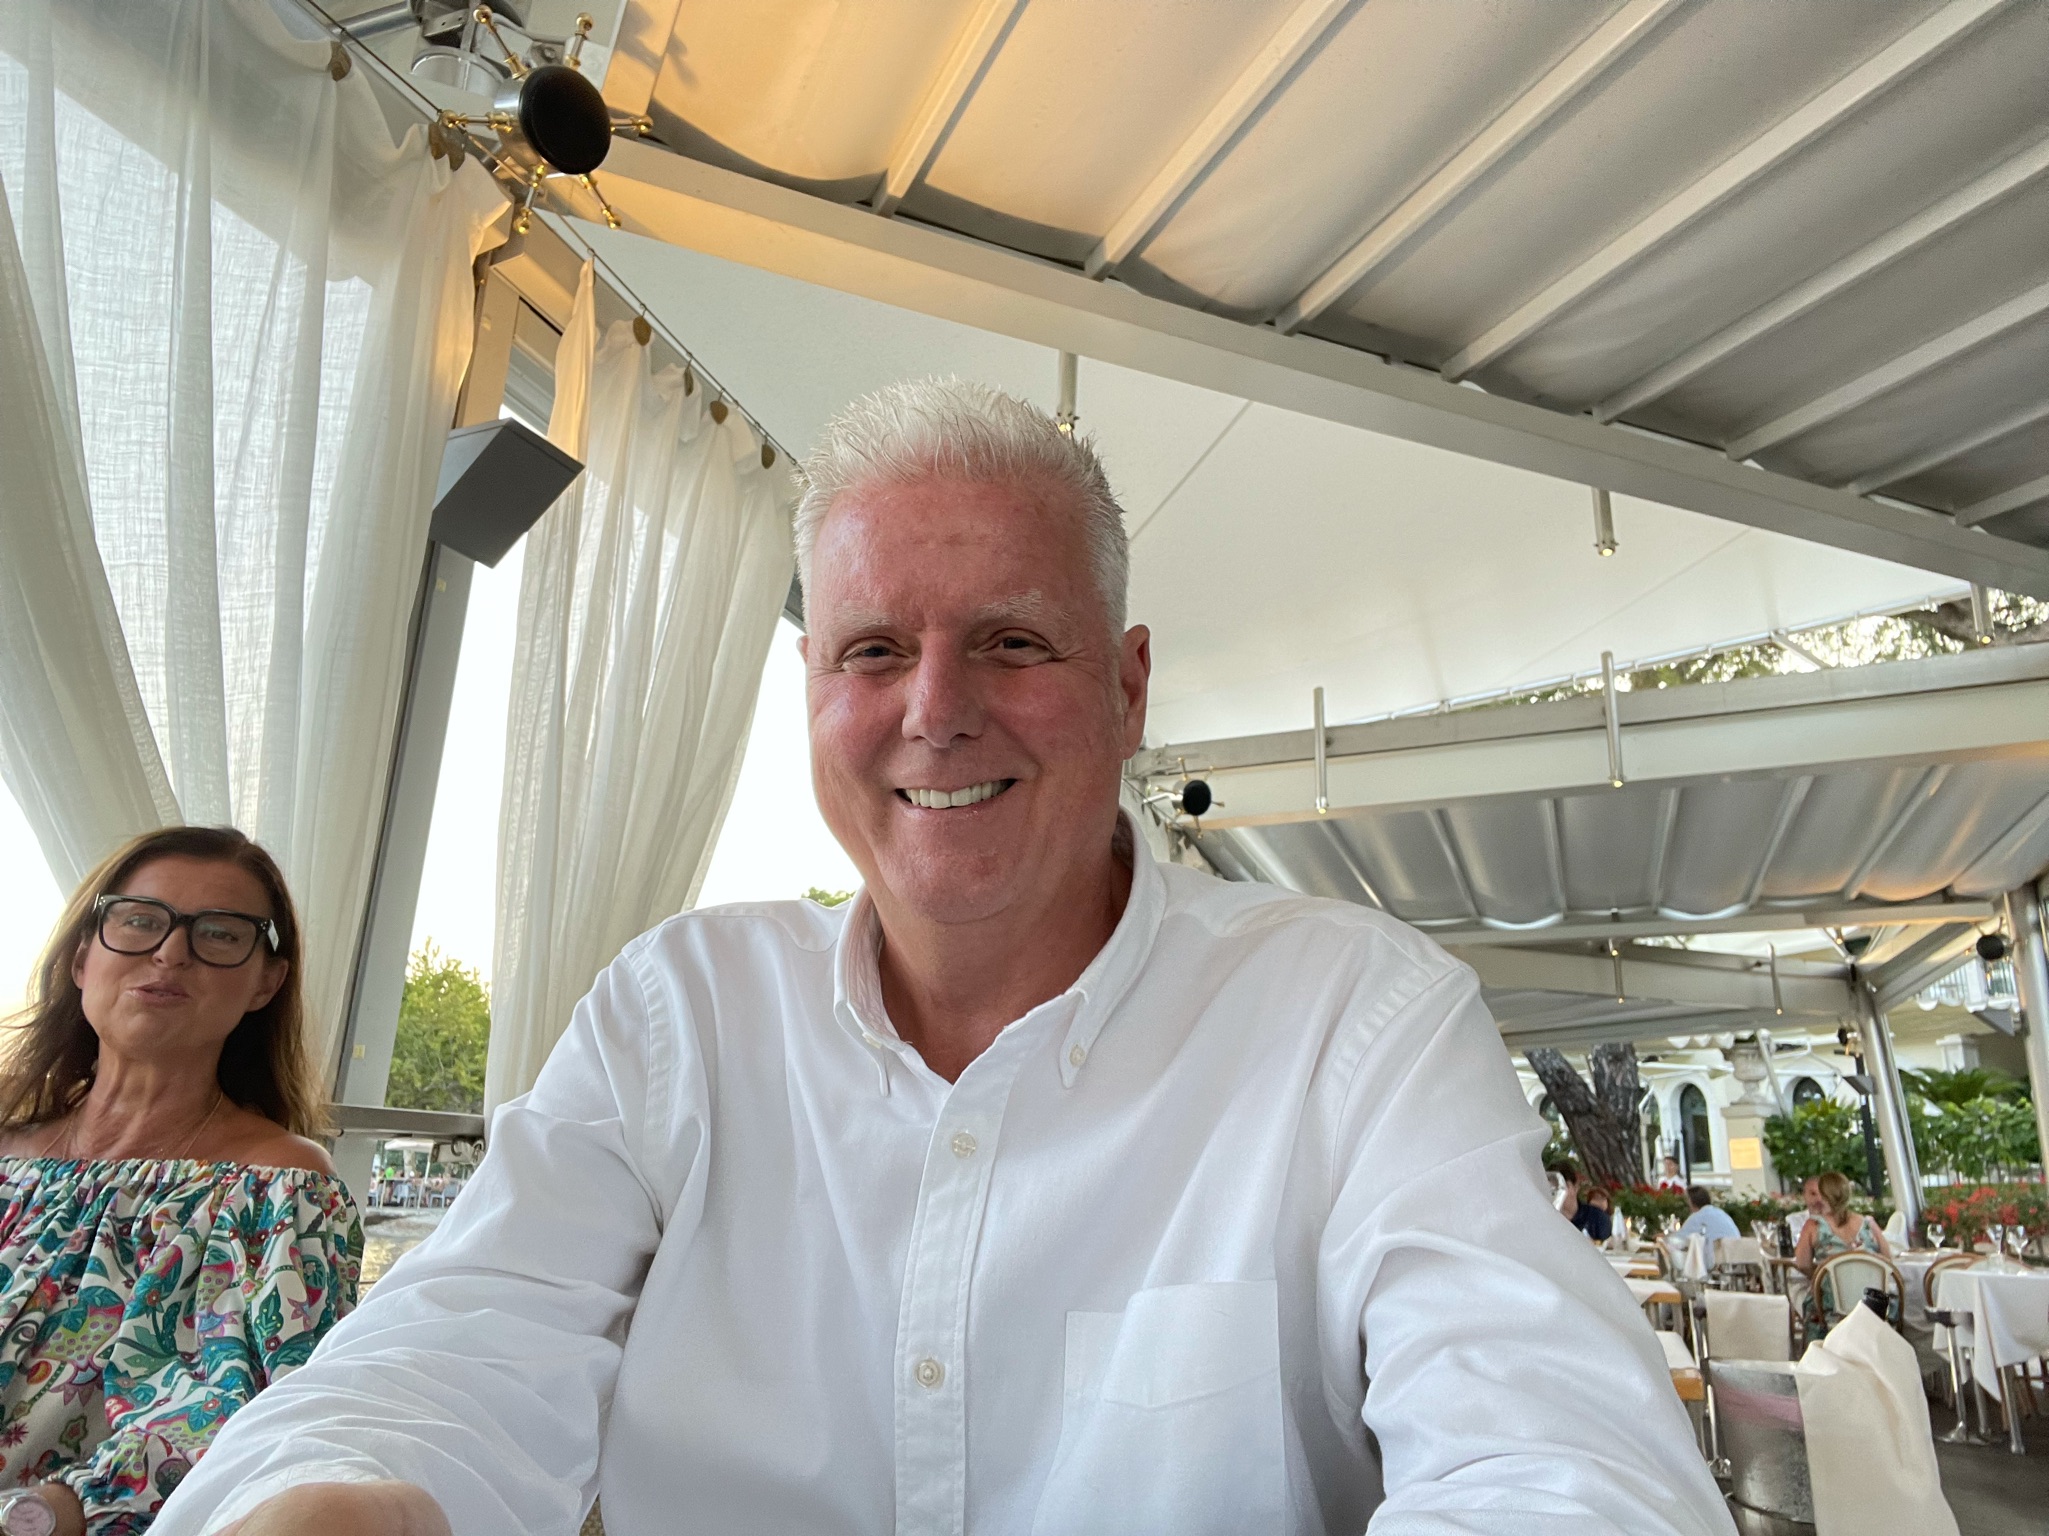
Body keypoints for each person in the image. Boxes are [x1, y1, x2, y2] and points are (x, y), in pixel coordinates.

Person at [156, 380, 1728, 1536]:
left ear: (1128, 690)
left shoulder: (1352, 1020)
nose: (936, 711)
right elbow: (460, 1341)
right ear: (812, 692)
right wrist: (329, 1496)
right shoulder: (677, 1017)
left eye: (1012, 642)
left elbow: (1554, 1452)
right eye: (873, 651)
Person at [0, 827, 362, 1536]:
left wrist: (39, 1516)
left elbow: (255, 1418)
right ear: (82, 957)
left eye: (220, 934)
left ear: (265, 982)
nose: (170, 952)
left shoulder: (277, 1188)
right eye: (139, 921)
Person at [1793, 1171, 1892, 1321]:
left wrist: (1825, 1273)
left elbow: (1802, 1264)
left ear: (1823, 1195)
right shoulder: (1869, 1224)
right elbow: (1888, 1260)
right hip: (1873, 1309)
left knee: (1810, 1302)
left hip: (1832, 1310)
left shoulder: (1813, 1226)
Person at [1675, 1186, 1740, 1264]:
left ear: (1690, 1201)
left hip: (1713, 1264)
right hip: (1736, 1261)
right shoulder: (1722, 1214)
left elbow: (1678, 1241)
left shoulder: (1696, 1218)